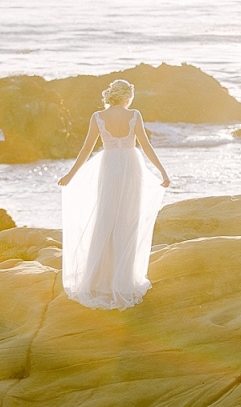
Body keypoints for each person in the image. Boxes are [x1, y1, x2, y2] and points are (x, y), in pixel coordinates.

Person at [58, 79, 170, 310]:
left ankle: (101, 280)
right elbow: (146, 146)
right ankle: (123, 281)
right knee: (128, 221)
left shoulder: (98, 117)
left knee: (105, 219)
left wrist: (70, 175)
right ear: (126, 96)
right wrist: (162, 171)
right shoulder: (134, 115)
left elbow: (86, 149)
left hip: (108, 167)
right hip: (131, 166)